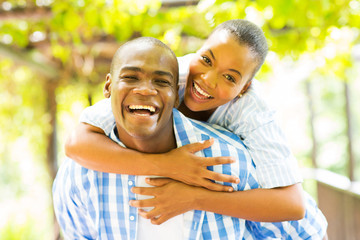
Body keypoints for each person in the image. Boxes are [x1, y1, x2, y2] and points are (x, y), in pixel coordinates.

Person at [53, 37, 327, 239]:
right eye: (131, 78)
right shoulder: (79, 176)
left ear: (176, 92)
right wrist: (167, 165)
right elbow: (75, 144)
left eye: (161, 82)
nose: (208, 80)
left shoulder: (233, 157)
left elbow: (301, 222)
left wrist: (196, 197)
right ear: (108, 86)